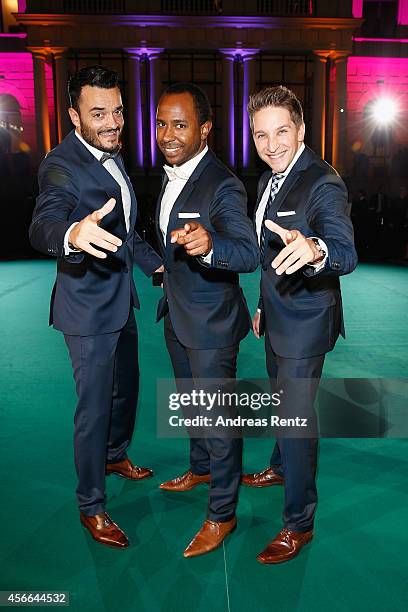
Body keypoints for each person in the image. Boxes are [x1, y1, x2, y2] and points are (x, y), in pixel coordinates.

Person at [29, 66, 162, 549]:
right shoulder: (61, 164)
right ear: (74, 116)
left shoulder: (111, 154)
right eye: (98, 113)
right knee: (94, 407)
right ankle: (92, 504)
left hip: (121, 300)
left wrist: (156, 267)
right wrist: (71, 234)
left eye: (118, 111)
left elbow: (127, 234)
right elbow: (43, 224)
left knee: (127, 389)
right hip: (86, 312)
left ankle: (115, 455)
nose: (112, 123)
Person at [243, 86, 357, 564]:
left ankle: (298, 524)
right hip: (279, 317)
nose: (271, 145)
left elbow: (345, 252)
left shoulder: (321, 182)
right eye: (260, 135)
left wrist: (316, 250)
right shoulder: (270, 179)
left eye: (282, 132)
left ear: (302, 130)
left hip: (307, 324)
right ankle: (278, 466)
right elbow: (271, 256)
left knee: (295, 420)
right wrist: (264, 306)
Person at [155, 82, 259, 557]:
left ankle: (222, 513)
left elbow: (248, 252)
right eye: (161, 123)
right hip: (177, 316)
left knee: (218, 418)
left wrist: (212, 245)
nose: (167, 134)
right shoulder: (171, 173)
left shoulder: (223, 183)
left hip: (213, 325)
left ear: (205, 130)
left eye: (180, 125)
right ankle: (199, 468)